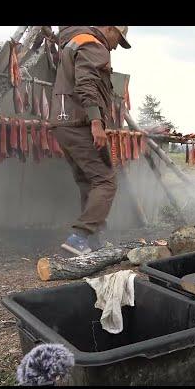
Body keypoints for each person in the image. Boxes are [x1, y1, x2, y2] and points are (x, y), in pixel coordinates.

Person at [49, 26, 131, 255]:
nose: (115, 45)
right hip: (80, 123)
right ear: (108, 28)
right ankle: (79, 238)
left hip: (62, 123)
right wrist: (96, 122)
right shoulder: (94, 45)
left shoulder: (72, 42)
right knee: (106, 181)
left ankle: (92, 240)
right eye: (118, 38)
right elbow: (86, 83)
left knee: (88, 181)